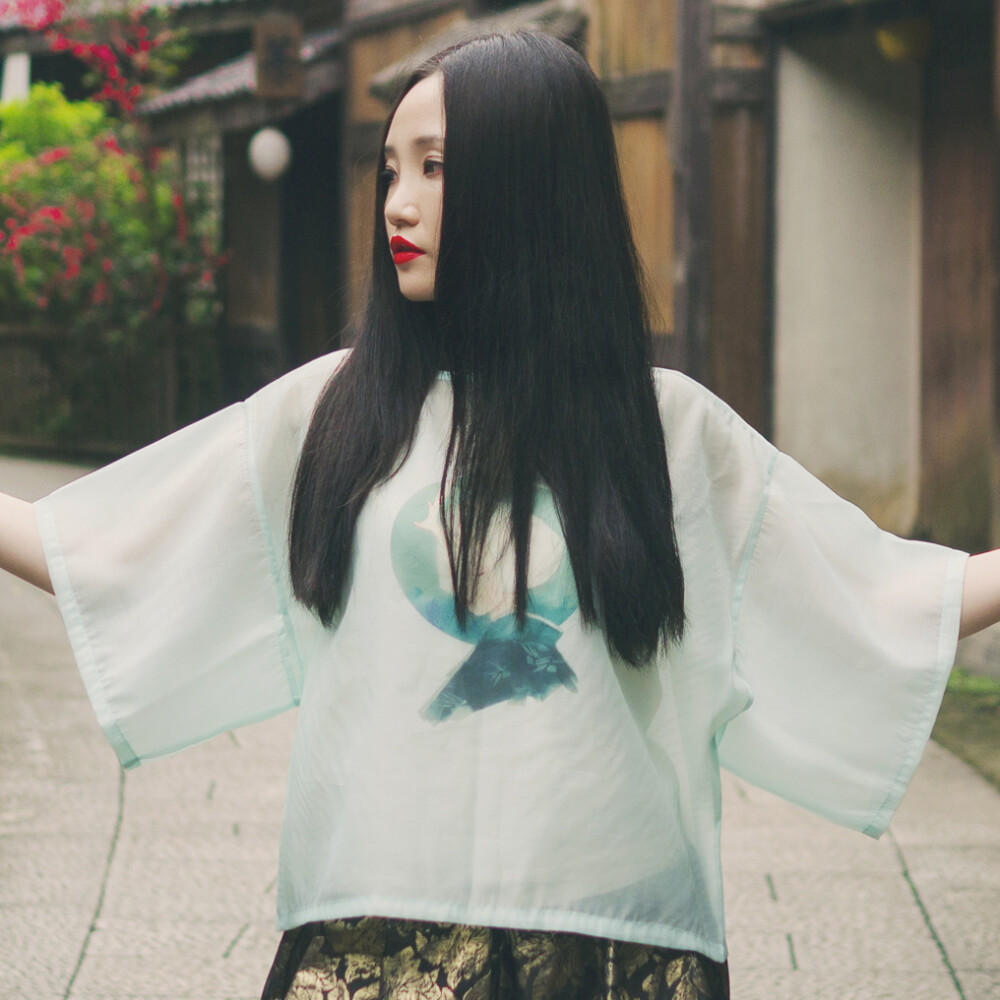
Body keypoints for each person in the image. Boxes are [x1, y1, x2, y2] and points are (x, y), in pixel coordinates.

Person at [2, 30, 1000, 1000]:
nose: (399, 201)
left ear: (534, 187)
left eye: (434, 167)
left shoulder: (664, 431)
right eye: (389, 170)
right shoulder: (332, 411)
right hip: (375, 925)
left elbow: (884, 596)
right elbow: (103, 551)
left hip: (614, 932)